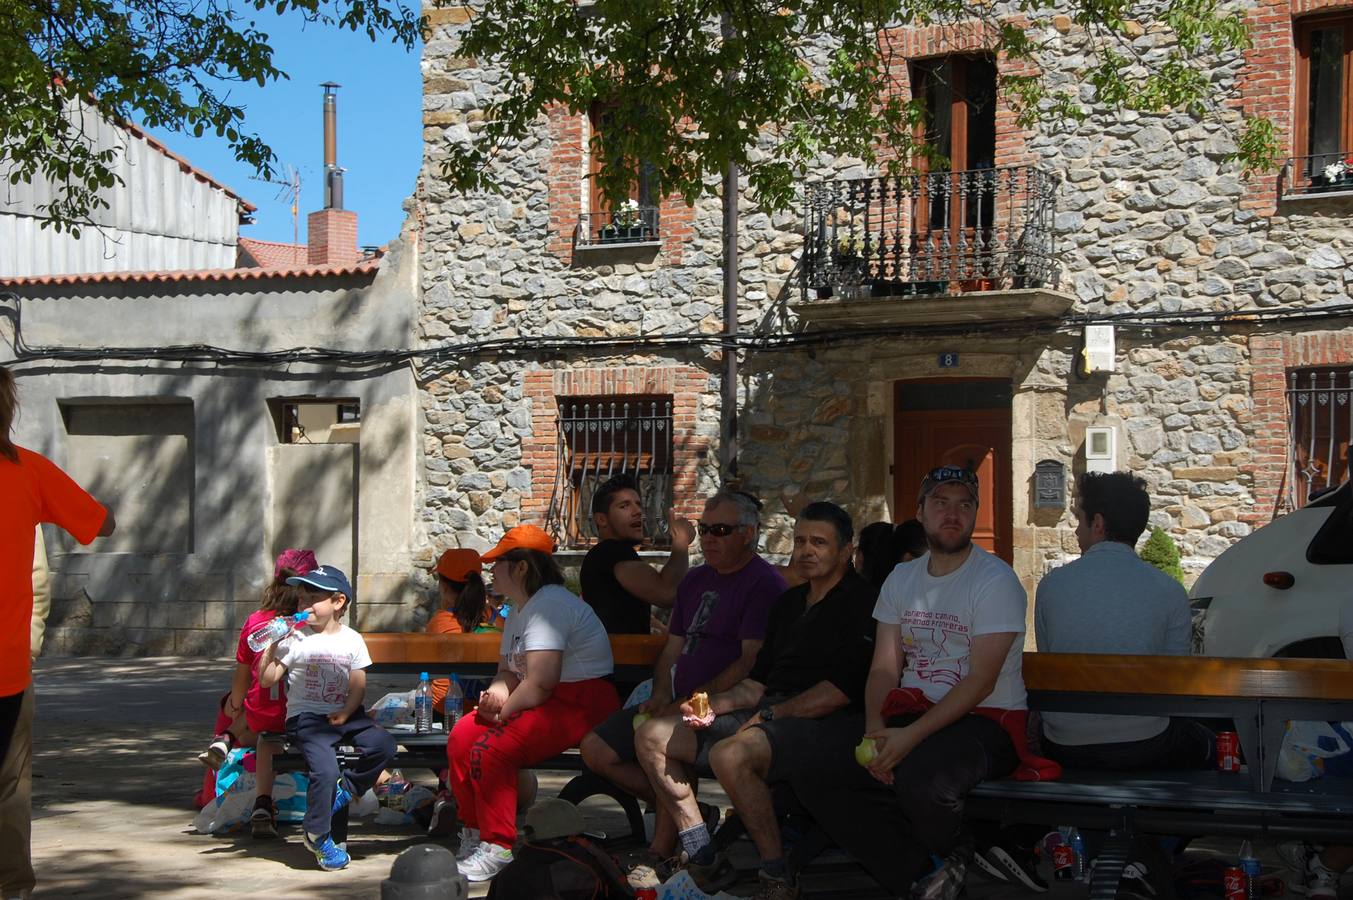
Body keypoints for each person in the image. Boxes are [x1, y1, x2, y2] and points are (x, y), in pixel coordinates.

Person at [789, 466, 1029, 900]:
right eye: (940, 503)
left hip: (987, 720)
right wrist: (875, 730)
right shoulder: (902, 579)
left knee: (921, 778)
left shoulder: (996, 580)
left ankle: (960, 852)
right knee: (813, 765)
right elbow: (883, 666)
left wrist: (906, 739)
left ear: (975, 514)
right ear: (920, 512)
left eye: (965, 504)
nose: (952, 514)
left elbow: (980, 680)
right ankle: (921, 875)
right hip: (911, 712)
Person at [637, 501, 876, 899]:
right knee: (652, 735)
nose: (806, 550)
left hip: (830, 723)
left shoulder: (863, 603)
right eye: (800, 541)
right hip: (770, 714)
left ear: (846, 549)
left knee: (730, 754)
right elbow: (756, 684)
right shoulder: (789, 604)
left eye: (819, 542)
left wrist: (769, 715)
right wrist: (702, 704)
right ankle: (703, 850)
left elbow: (839, 691)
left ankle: (776, 874)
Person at [579, 489, 784, 871]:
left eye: (720, 529)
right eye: (704, 529)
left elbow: (749, 661)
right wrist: (660, 694)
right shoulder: (694, 581)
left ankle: (682, 849)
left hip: (731, 705)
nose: (707, 537)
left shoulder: (763, 583)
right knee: (596, 749)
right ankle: (694, 818)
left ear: (748, 533)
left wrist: (683, 702)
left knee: (656, 737)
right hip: (678, 699)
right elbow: (672, 650)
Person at [446, 525, 620, 883]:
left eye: (497, 563)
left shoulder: (550, 605)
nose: (490, 570)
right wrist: (494, 696)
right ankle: (475, 831)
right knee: (463, 735)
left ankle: (498, 846)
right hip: (550, 699)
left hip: (581, 700)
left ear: (521, 567)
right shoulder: (521, 608)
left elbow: (540, 681)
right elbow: (509, 670)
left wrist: (501, 714)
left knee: (492, 748)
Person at [1, 366, 114, 900]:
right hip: (7, 670)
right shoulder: (27, 470)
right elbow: (100, 522)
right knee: (9, 788)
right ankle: (13, 888)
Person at [1035, 472, 1212, 770]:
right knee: (1206, 743)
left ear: (1099, 523)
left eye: (1080, 520)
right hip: (1145, 741)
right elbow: (1175, 679)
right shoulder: (1170, 590)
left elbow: (1048, 656)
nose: (1076, 532)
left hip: (1063, 742)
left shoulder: (1052, 585)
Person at [258, 565, 396, 871]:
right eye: (301, 598)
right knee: (324, 766)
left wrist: (348, 711)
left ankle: (346, 790)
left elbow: (358, 683)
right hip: (307, 719)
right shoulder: (295, 639)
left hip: (347, 715)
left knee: (384, 745)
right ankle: (318, 835)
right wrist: (271, 644)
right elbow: (268, 679)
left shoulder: (352, 639)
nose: (304, 604)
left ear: (338, 602)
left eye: (313, 598)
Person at [197, 548, 316, 838]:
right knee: (276, 719)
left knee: (248, 716)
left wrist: (234, 706)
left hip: (263, 713)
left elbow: (241, 677)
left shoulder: (256, 621)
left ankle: (226, 744)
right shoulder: (310, 624)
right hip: (301, 714)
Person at [579, 473, 694, 633]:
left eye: (638, 504)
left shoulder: (606, 554)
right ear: (601, 519)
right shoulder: (611, 552)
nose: (638, 511)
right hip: (618, 658)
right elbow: (667, 593)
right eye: (624, 506)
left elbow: (624, 612)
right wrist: (680, 540)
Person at [426, 547, 490, 713]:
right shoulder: (496, 618)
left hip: (444, 709)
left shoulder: (440, 622)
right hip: (486, 707)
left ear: (445, 588)